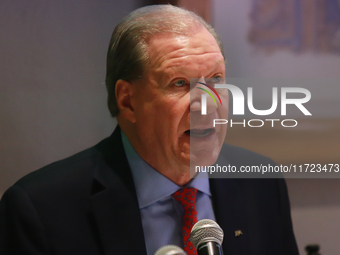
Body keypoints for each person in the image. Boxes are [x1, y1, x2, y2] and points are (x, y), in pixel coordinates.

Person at [0, 5, 299, 255]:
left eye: (216, 79)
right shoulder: (40, 210)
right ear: (128, 101)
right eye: (180, 83)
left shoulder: (261, 180)